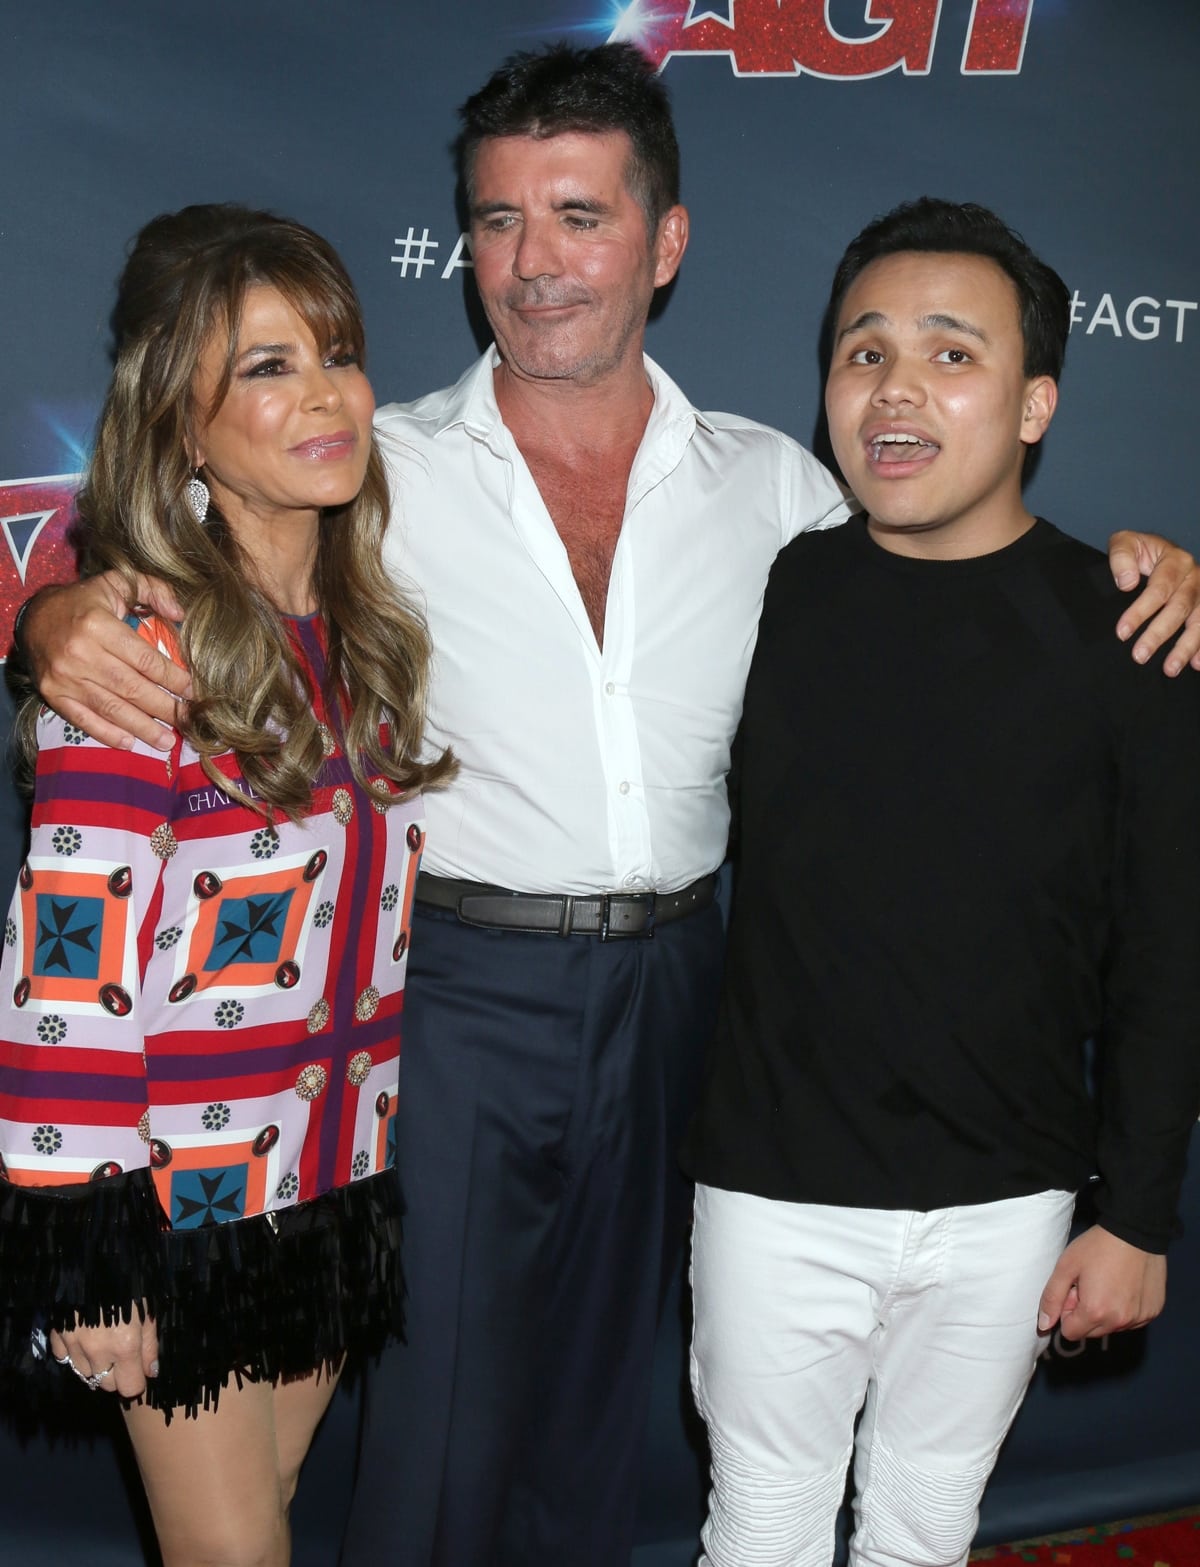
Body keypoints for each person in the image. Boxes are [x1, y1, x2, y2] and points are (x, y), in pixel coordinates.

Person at [16, 48, 1200, 1567]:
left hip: (687, 997)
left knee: (596, 1426)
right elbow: (150, 522)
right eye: (498, 222)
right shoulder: (368, 461)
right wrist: (45, 622)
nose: (534, 263)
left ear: (669, 242)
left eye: (578, 215)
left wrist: (1153, 571)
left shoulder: (783, 488)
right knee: (438, 1437)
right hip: (451, 998)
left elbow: (973, 549)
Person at [682, 197, 1200, 1567]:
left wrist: (1137, 1212)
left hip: (1011, 1205)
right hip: (773, 1193)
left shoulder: (1132, 628)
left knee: (923, 1533)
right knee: (763, 1532)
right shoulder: (766, 586)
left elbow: (1169, 951)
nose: (897, 386)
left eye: (951, 354)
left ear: (1035, 404)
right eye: (864, 352)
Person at [0, 204, 451, 1567]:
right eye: (265, 366)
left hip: (324, 1195)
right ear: (184, 428)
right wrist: (91, 1250)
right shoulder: (139, 648)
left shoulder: (367, 632)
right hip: (174, 1204)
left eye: (335, 350)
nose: (324, 392)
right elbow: (64, 972)